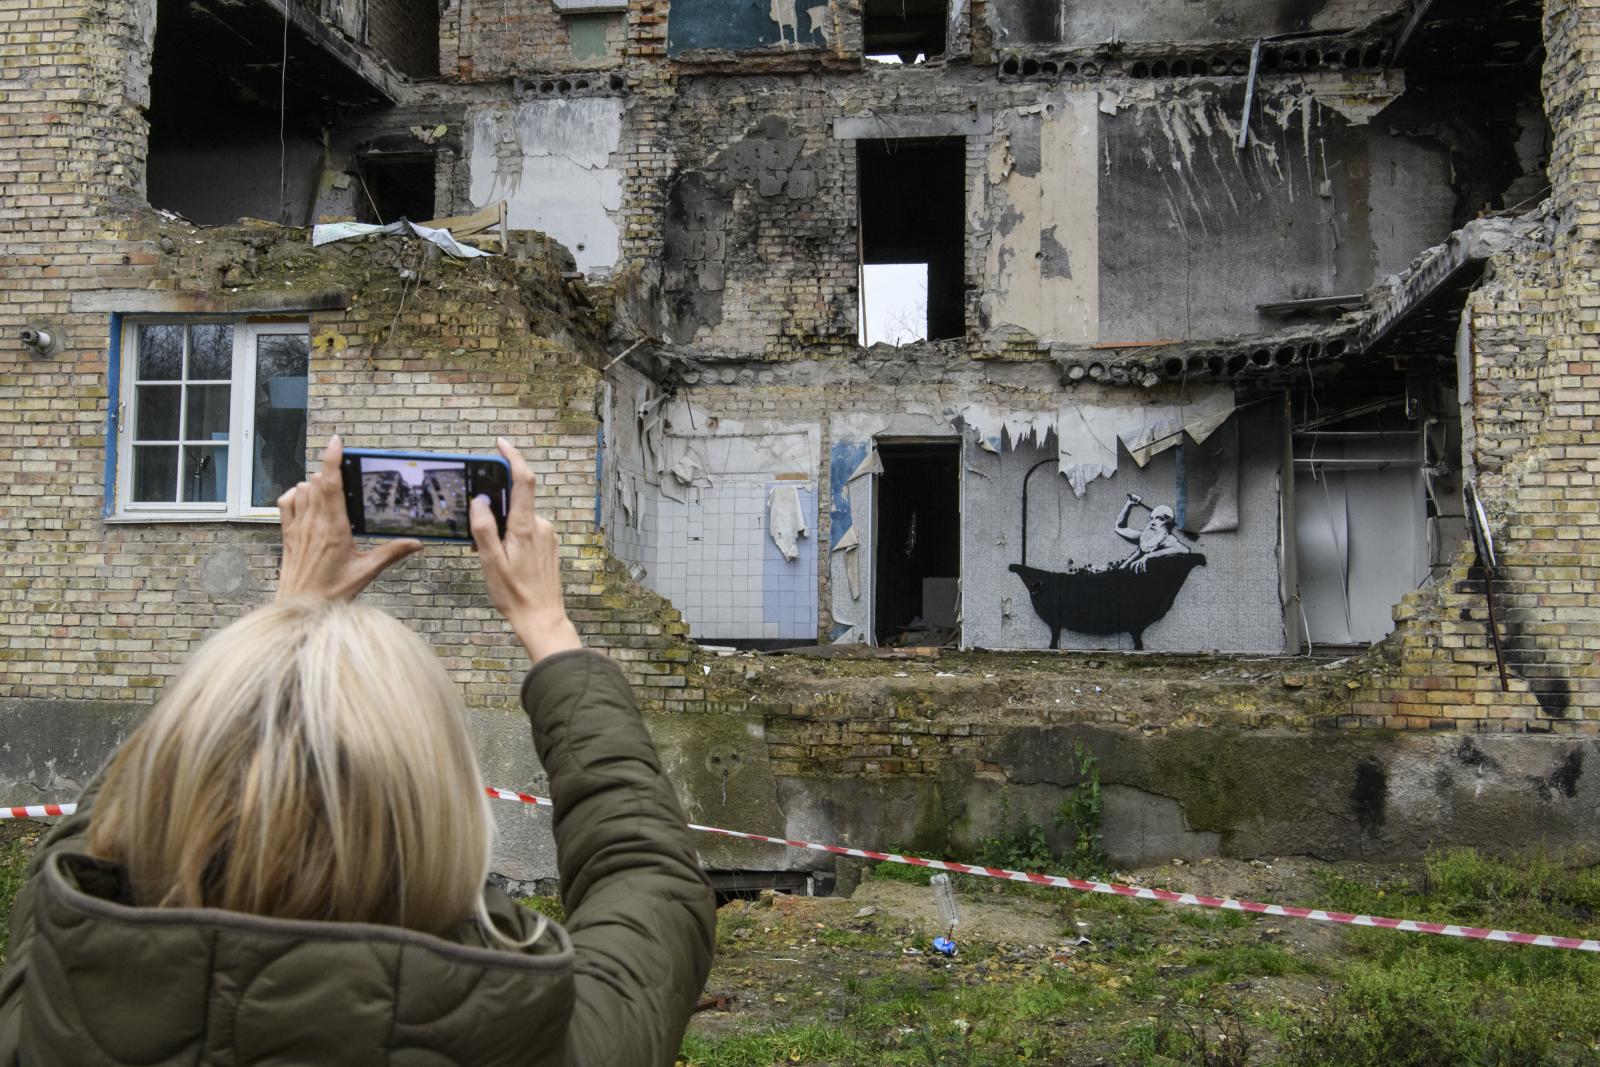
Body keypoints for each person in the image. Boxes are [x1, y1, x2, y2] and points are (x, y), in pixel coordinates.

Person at [0, 437, 716, 1067]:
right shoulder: (545, 1038)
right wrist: (549, 628)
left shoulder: (50, 1004)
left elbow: (100, 830)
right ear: (446, 818)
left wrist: (284, 620)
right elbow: (651, 882)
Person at [1113, 493, 1192, 573]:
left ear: (1168, 526)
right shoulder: (1145, 537)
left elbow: (1185, 550)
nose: (1153, 522)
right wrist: (1129, 503)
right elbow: (1120, 527)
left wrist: (1149, 556)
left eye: (1160, 519)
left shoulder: (1169, 540)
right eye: (1152, 518)